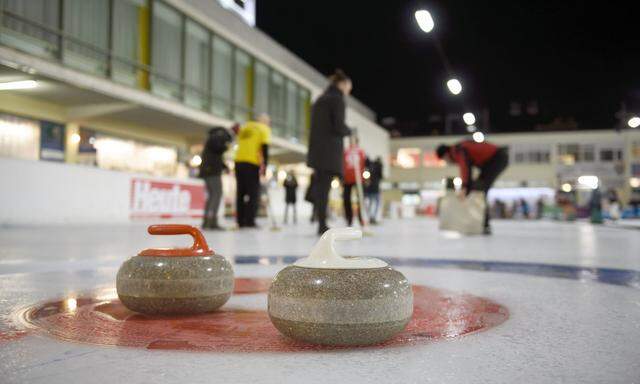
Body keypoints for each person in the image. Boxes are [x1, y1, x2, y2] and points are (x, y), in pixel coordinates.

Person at [307, 69, 353, 235]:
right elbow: (339, 126)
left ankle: (320, 221)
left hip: (317, 150)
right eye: (348, 87)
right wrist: (351, 131)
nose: (348, 91)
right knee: (324, 188)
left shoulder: (321, 99)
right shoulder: (337, 99)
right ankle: (322, 224)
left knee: (321, 187)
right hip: (329, 151)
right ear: (342, 84)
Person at [436, 140, 508, 234]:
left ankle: (483, 224)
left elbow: (465, 167)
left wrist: (464, 187)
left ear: (445, 155)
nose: (447, 162)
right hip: (493, 160)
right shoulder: (459, 148)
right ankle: (481, 223)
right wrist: (467, 186)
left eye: (445, 160)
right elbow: (468, 169)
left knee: (479, 191)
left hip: (497, 158)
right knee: (477, 189)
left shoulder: (458, 150)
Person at [234, 114, 271, 228]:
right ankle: (250, 221)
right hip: (252, 163)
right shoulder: (264, 128)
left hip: (238, 161)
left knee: (240, 193)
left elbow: (239, 140)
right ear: (265, 122)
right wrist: (264, 167)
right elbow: (264, 148)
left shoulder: (246, 127)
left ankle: (240, 221)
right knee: (253, 193)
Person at [198, 125, 233, 230]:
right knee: (216, 195)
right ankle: (211, 221)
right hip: (212, 172)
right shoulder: (216, 139)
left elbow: (215, 155)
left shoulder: (212, 139)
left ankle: (207, 221)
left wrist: (224, 166)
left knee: (212, 196)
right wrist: (226, 146)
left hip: (209, 171)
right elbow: (218, 149)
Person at [342, 134, 366, 227]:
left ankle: (361, 218)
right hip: (347, 179)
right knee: (346, 199)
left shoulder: (361, 151)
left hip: (358, 179)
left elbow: (364, 165)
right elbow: (343, 164)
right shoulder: (346, 151)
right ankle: (349, 218)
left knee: (360, 199)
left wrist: (364, 177)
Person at [365, 156, 383, 224]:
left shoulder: (368, 167)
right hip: (375, 189)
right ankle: (372, 217)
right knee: (376, 203)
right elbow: (381, 177)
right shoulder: (379, 167)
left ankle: (370, 217)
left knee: (370, 204)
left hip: (369, 190)